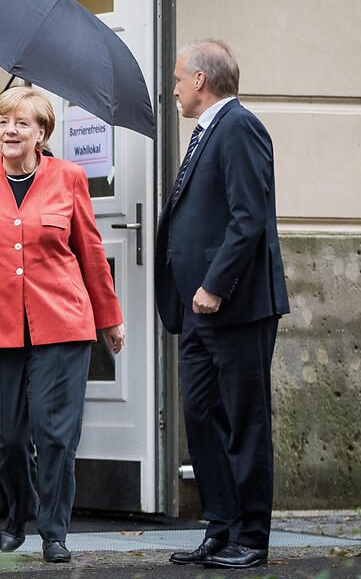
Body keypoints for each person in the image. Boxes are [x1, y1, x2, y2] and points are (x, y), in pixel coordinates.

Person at [0, 86, 125, 563]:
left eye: (21, 123)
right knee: (10, 435)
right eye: (3, 122)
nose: (10, 131)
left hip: (62, 324)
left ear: (42, 133)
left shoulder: (69, 177)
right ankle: (19, 511)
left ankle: (55, 531)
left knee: (56, 432)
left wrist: (110, 317)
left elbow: (91, 253)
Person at [156, 40, 289, 570]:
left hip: (234, 307)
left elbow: (247, 217)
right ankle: (220, 527)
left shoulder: (239, 126)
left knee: (244, 421)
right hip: (197, 313)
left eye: (177, 79)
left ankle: (252, 537)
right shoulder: (208, 131)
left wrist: (214, 285)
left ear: (200, 82)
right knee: (202, 417)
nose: (173, 88)